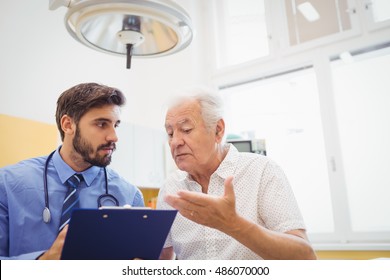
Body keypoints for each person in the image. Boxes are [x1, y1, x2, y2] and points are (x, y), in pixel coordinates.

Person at [157, 86, 317, 260]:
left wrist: (233, 224)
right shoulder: (170, 188)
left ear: (218, 130)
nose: (175, 142)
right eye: (170, 133)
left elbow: (305, 258)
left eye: (186, 129)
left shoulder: (262, 171)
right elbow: (161, 259)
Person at [0, 82, 144, 260]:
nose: (114, 136)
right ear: (68, 125)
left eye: (116, 125)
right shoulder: (7, 184)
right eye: (101, 124)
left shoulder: (130, 196)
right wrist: (42, 262)